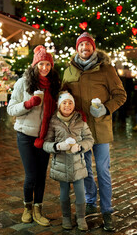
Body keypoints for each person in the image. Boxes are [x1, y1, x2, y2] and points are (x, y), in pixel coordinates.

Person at [62, 32, 127, 231]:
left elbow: (120, 95)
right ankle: (91, 202)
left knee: (103, 170)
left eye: (88, 45)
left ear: (93, 47)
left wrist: (106, 108)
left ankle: (107, 211)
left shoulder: (106, 69)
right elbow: (63, 95)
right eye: (81, 45)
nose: (84, 49)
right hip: (80, 130)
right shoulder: (69, 71)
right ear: (77, 48)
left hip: (100, 129)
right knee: (86, 171)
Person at [7, 45, 60, 226]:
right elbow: (10, 109)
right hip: (25, 135)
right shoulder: (23, 83)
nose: (44, 68)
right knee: (31, 175)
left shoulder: (53, 85)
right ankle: (27, 207)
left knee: (41, 175)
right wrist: (28, 104)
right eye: (41, 64)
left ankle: (38, 209)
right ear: (34, 65)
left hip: (44, 136)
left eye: (47, 64)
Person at [43, 91, 94, 231]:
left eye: (70, 103)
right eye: (64, 103)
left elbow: (90, 139)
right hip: (61, 164)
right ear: (59, 106)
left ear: (74, 105)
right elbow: (46, 143)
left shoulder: (80, 122)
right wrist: (57, 146)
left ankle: (81, 217)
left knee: (80, 193)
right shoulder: (53, 122)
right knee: (64, 193)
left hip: (78, 164)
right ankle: (66, 217)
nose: (67, 105)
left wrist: (80, 146)